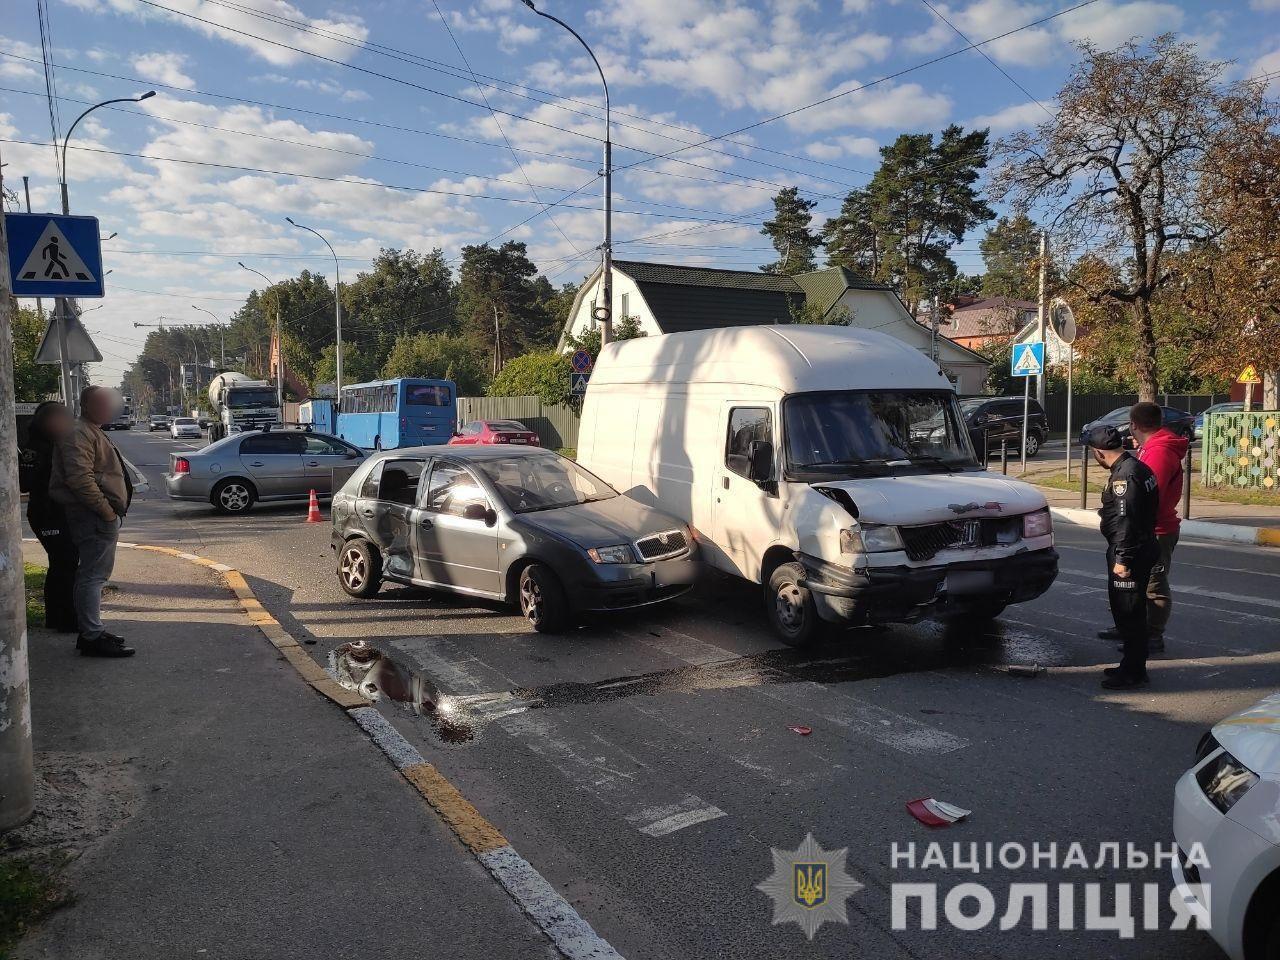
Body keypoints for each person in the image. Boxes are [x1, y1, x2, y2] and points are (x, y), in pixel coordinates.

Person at [50, 386, 135, 657]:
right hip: (92, 516)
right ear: (85, 405)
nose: (108, 409)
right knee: (93, 576)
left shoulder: (91, 430)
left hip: (96, 515)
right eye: (101, 404)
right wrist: (106, 511)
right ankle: (91, 636)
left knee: (93, 575)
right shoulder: (78, 432)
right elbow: (79, 479)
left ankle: (92, 630)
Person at [1097, 402, 1188, 653]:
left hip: (1155, 529)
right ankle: (1129, 626)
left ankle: (1151, 635)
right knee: (1133, 585)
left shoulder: (1159, 452)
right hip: (1150, 527)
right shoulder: (1154, 447)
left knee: (1153, 584)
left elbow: (1145, 496)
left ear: (1134, 425)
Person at [1088, 424, 1160, 689]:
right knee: (1132, 610)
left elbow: (1127, 520)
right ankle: (1131, 664)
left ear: (1099, 453)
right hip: (1141, 545)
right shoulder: (1136, 467)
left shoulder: (1124, 477)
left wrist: (1122, 560)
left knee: (1128, 613)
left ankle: (1133, 672)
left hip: (1130, 552)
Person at [25, 401, 79, 633]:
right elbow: (23, 481)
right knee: (63, 563)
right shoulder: (36, 448)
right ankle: (63, 619)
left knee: (64, 564)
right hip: (46, 513)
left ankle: (60, 617)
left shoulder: (56, 444)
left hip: (59, 512)